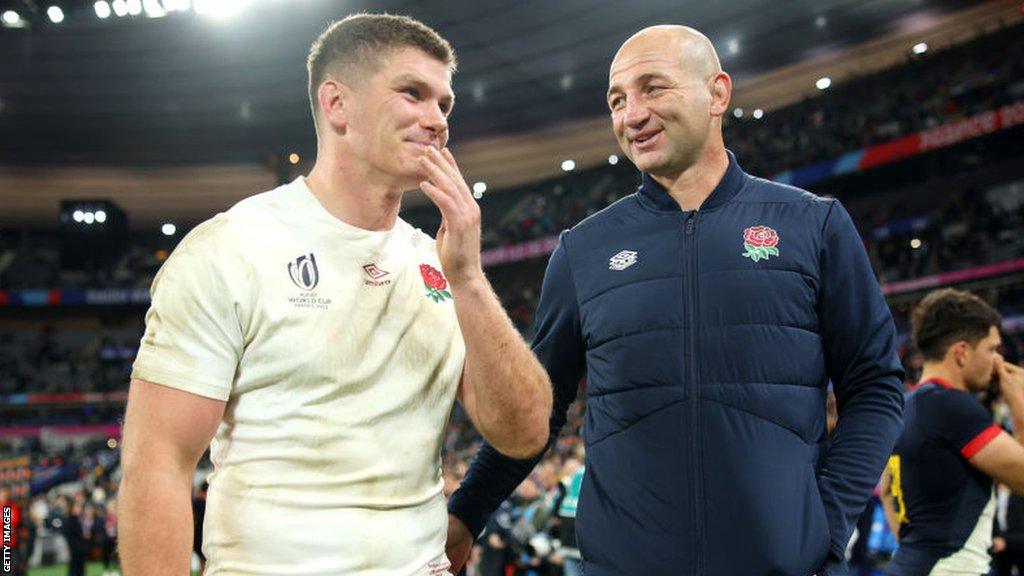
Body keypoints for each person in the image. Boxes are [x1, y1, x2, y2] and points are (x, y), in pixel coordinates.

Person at [446, 25, 904, 576]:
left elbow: (875, 386)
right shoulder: (583, 250)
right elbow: (536, 408)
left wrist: (825, 526)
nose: (631, 115)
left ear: (717, 93)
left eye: (653, 88)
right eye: (617, 100)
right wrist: (466, 515)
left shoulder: (814, 224)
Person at [117, 13, 552, 576]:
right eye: (412, 93)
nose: (437, 120)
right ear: (337, 104)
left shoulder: (437, 261)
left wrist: (468, 278)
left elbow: (523, 433)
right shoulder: (231, 249)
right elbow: (158, 465)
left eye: (445, 104)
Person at [880, 288, 1024, 575]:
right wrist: (1018, 400)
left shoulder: (907, 405)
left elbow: (886, 492)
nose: (997, 360)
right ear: (961, 352)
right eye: (991, 349)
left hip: (912, 564)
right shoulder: (953, 406)